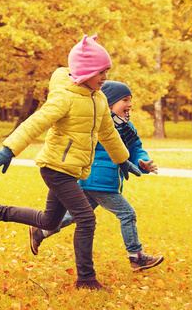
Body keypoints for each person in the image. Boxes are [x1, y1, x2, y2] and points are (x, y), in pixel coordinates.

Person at [0, 35, 143, 291]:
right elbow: (36, 122)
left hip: (70, 170)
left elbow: (108, 133)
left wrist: (122, 161)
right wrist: (9, 150)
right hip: (55, 168)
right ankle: (86, 279)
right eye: (101, 72)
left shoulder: (97, 99)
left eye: (106, 72)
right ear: (85, 71)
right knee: (86, 219)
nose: (104, 77)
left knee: (48, 221)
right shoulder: (64, 97)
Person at [30, 80, 164, 272]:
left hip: (99, 182)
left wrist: (142, 161)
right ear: (109, 104)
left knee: (74, 216)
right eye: (125, 100)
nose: (130, 105)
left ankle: (40, 231)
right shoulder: (98, 125)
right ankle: (137, 256)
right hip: (97, 180)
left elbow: (136, 148)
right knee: (127, 213)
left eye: (130, 100)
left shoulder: (127, 127)